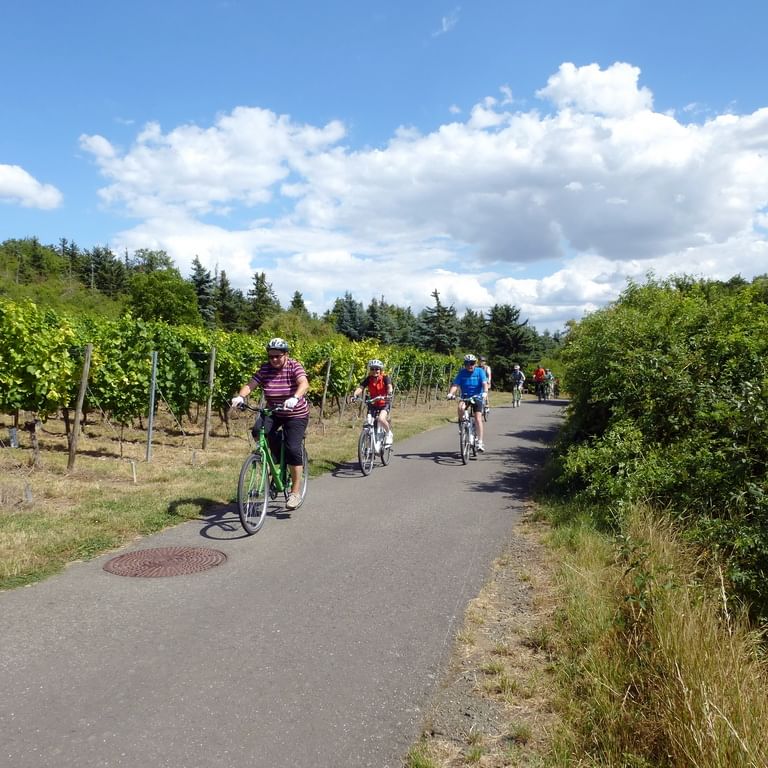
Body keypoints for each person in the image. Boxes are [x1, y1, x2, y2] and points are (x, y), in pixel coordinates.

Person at [230, 338, 310, 511]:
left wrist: (295, 397)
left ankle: (295, 492)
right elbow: (251, 384)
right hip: (274, 410)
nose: (273, 360)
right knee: (258, 431)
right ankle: (275, 455)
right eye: (271, 356)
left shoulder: (294, 366)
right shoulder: (265, 368)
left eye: (277, 356)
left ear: (286, 355)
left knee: (293, 449)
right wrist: (240, 396)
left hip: (295, 413)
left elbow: (304, 383)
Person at [446, 353, 489, 451]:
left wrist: (485, 392)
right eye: (467, 363)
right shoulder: (462, 372)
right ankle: (463, 425)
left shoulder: (480, 371)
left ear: (475, 363)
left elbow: (484, 383)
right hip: (465, 396)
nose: (470, 365)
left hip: (477, 396)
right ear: (465, 364)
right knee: (460, 407)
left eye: (472, 363)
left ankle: (480, 442)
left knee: (478, 418)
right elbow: (455, 385)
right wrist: (450, 393)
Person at [352, 359, 394, 445]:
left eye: (377, 369)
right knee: (369, 421)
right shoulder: (369, 379)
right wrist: (354, 395)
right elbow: (361, 387)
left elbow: (389, 386)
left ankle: (388, 433)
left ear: (380, 370)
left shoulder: (385, 378)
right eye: (372, 369)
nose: (375, 371)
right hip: (373, 403)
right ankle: (369, 441)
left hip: (384, 403)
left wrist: (389, 393)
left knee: (381, 419)